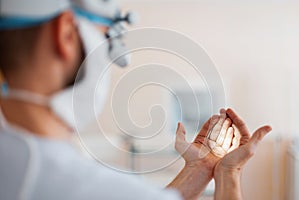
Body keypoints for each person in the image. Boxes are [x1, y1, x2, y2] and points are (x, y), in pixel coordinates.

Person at [0, 0, 272, 199]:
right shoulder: (72, 183)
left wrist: (200, 168)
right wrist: (230, 173)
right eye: (107, 36)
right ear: (67, 34)